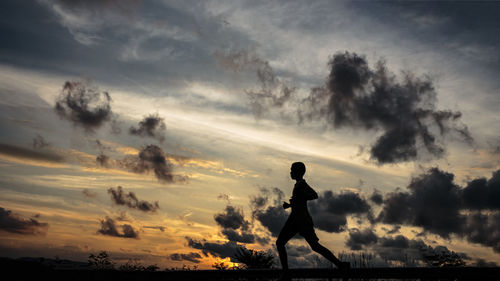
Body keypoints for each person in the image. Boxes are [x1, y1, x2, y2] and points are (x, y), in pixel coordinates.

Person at [276, 162, 350, 280]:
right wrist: (290, 204)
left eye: (292, 170)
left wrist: (301, 197)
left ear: (298, 172)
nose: (290, 172)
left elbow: (314, 195)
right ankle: (340, 265)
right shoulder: (298, 185)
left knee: (281, 243)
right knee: (312, 246)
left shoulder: (301, 184)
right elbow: (301, 200)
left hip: (300, 220)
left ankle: (286, 274)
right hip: (297, 219)